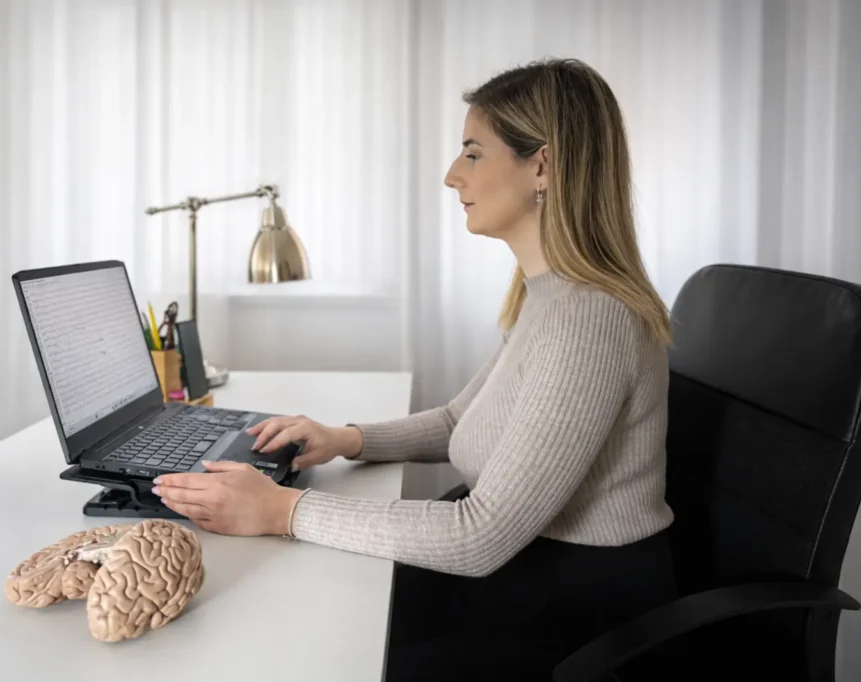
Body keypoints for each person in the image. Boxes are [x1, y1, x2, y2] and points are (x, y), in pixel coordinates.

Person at [151, 57, 677, 680]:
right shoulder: (552, 296)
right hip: (524, 575)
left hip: (567, 614)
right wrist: (346, 439)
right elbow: (460, 420)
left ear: (542, 165)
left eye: (473, 153)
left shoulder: (590, 320)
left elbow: (479, 536)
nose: (453, 175)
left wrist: (281, 511)